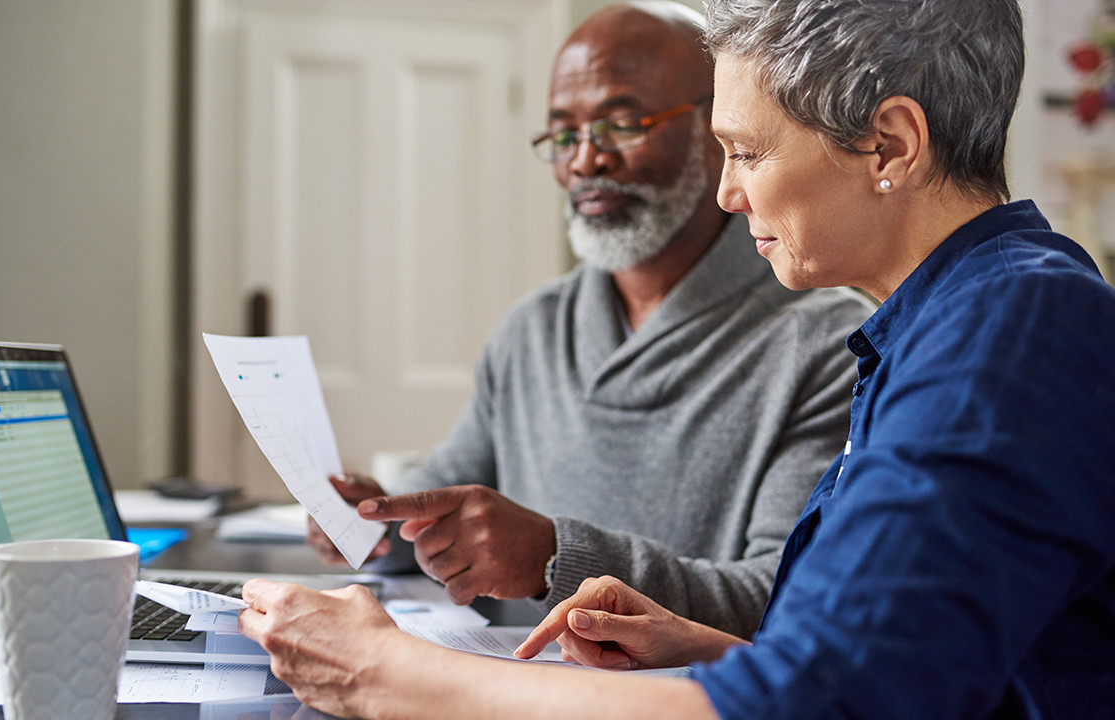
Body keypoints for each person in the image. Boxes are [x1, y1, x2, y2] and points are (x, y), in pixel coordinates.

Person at [240, 0, 1115, 717]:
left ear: (888, 144)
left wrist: (387, 675)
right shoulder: (942, 323)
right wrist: (704, 647)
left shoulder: (1010, 326)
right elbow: (897, 671)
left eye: (747, 151)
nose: (730, 190)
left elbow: (824, 702)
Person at [306, 0, 873, 638]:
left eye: (623, 123)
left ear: (717, 131)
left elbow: (783, 592)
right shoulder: (533, 330)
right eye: (564, 134)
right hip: (504, 686)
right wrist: (377, 519)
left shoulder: (829, 344)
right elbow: (447, 504)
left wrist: (556, 558)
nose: (584, 161)